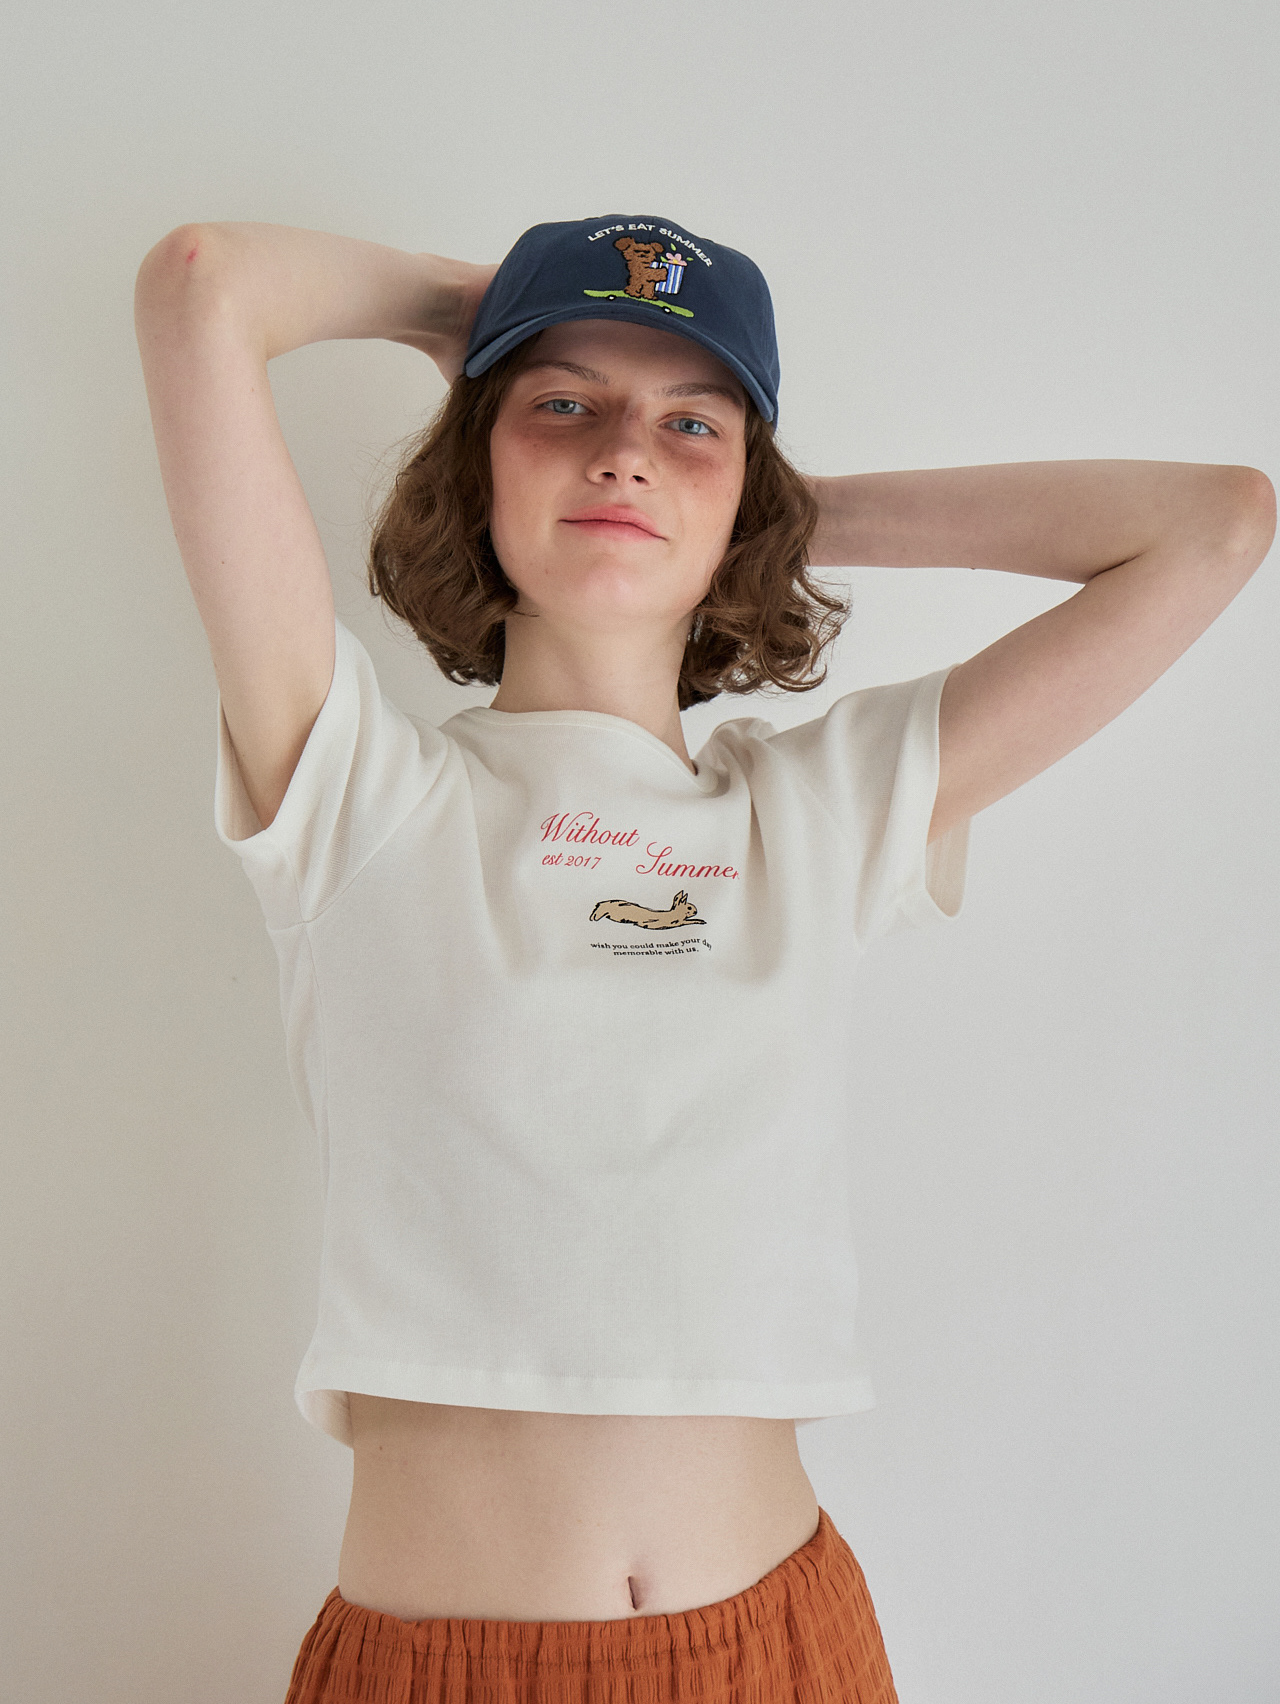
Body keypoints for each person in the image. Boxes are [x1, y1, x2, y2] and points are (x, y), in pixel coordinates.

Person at [133, 212, 1274, 1704]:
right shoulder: (360, 795)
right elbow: (202, 287)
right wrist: (471, 310)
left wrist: (775, 519)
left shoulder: (820, 810)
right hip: (439, 1667)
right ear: (474, 460)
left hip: (779, 1648)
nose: (626, 454)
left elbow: (1216, 525)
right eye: (562, 404)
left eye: (691, 425)